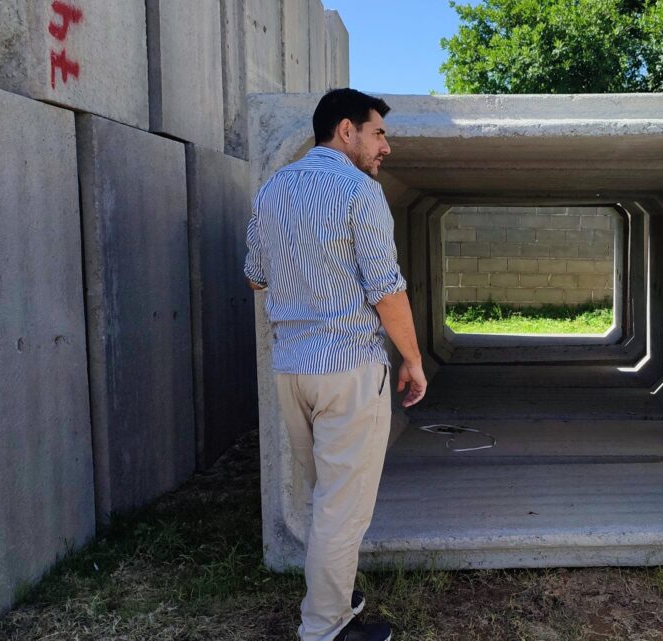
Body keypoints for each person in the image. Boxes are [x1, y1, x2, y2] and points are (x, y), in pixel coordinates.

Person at [245, 89, 427, 641]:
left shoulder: (274, 187)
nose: (385, 148)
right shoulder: (359, 192)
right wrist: (414, 361)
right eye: (378, 133)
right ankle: (324, 629)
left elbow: (255, 274)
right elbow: (387, 291)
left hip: (292, 370)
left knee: (328, 496)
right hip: (348, 370)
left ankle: (334, 592)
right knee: (343, 509)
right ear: (345, 131)